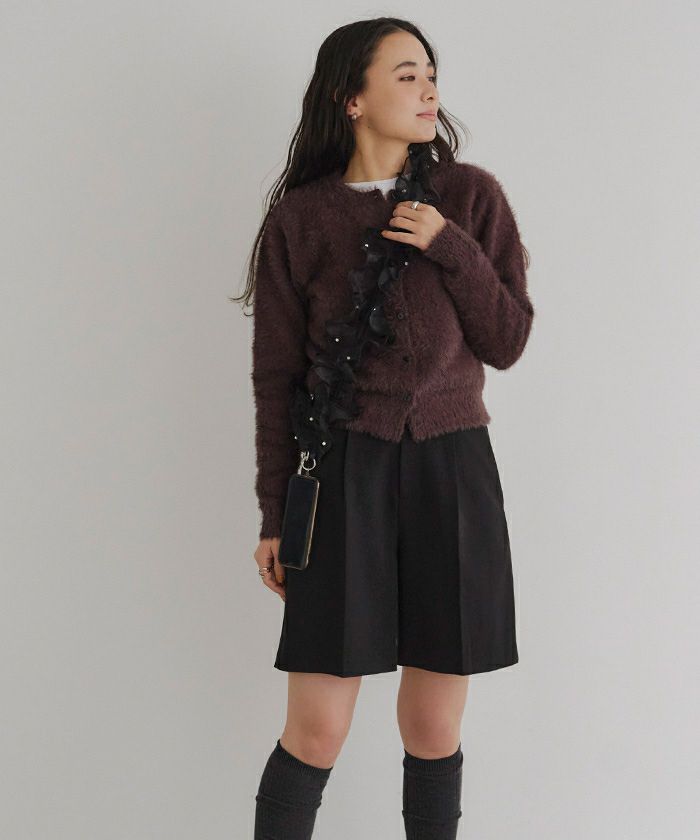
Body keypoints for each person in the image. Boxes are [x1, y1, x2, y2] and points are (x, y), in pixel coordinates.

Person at [231, 16, 535, 840]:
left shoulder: (469, 197)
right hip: (343, 476)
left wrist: (449, 246)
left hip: (453, 469)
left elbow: (508, 339)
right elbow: (276, 380)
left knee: (433, 728)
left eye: (431, 73)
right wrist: (274, 515)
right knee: (317, 731)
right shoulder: (301, 220)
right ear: (352, 98)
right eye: (406, 75)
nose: (429, 89)